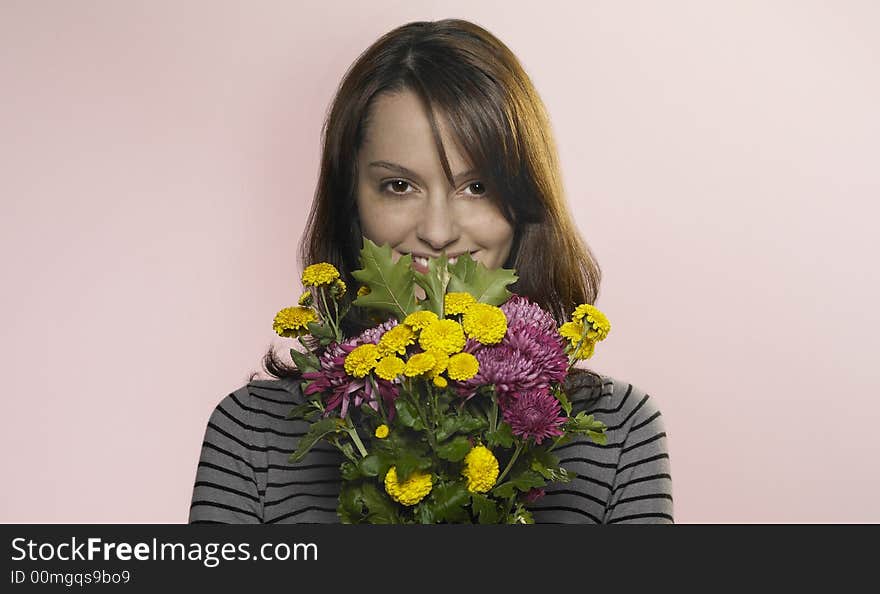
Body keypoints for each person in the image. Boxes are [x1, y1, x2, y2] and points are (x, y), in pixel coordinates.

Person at [188, 19, 672, 524]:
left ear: (526, 202)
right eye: (399, 186)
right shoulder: (251, 434)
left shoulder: (621, 432)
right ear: (351, 201)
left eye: (477, 187)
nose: (438, 232)